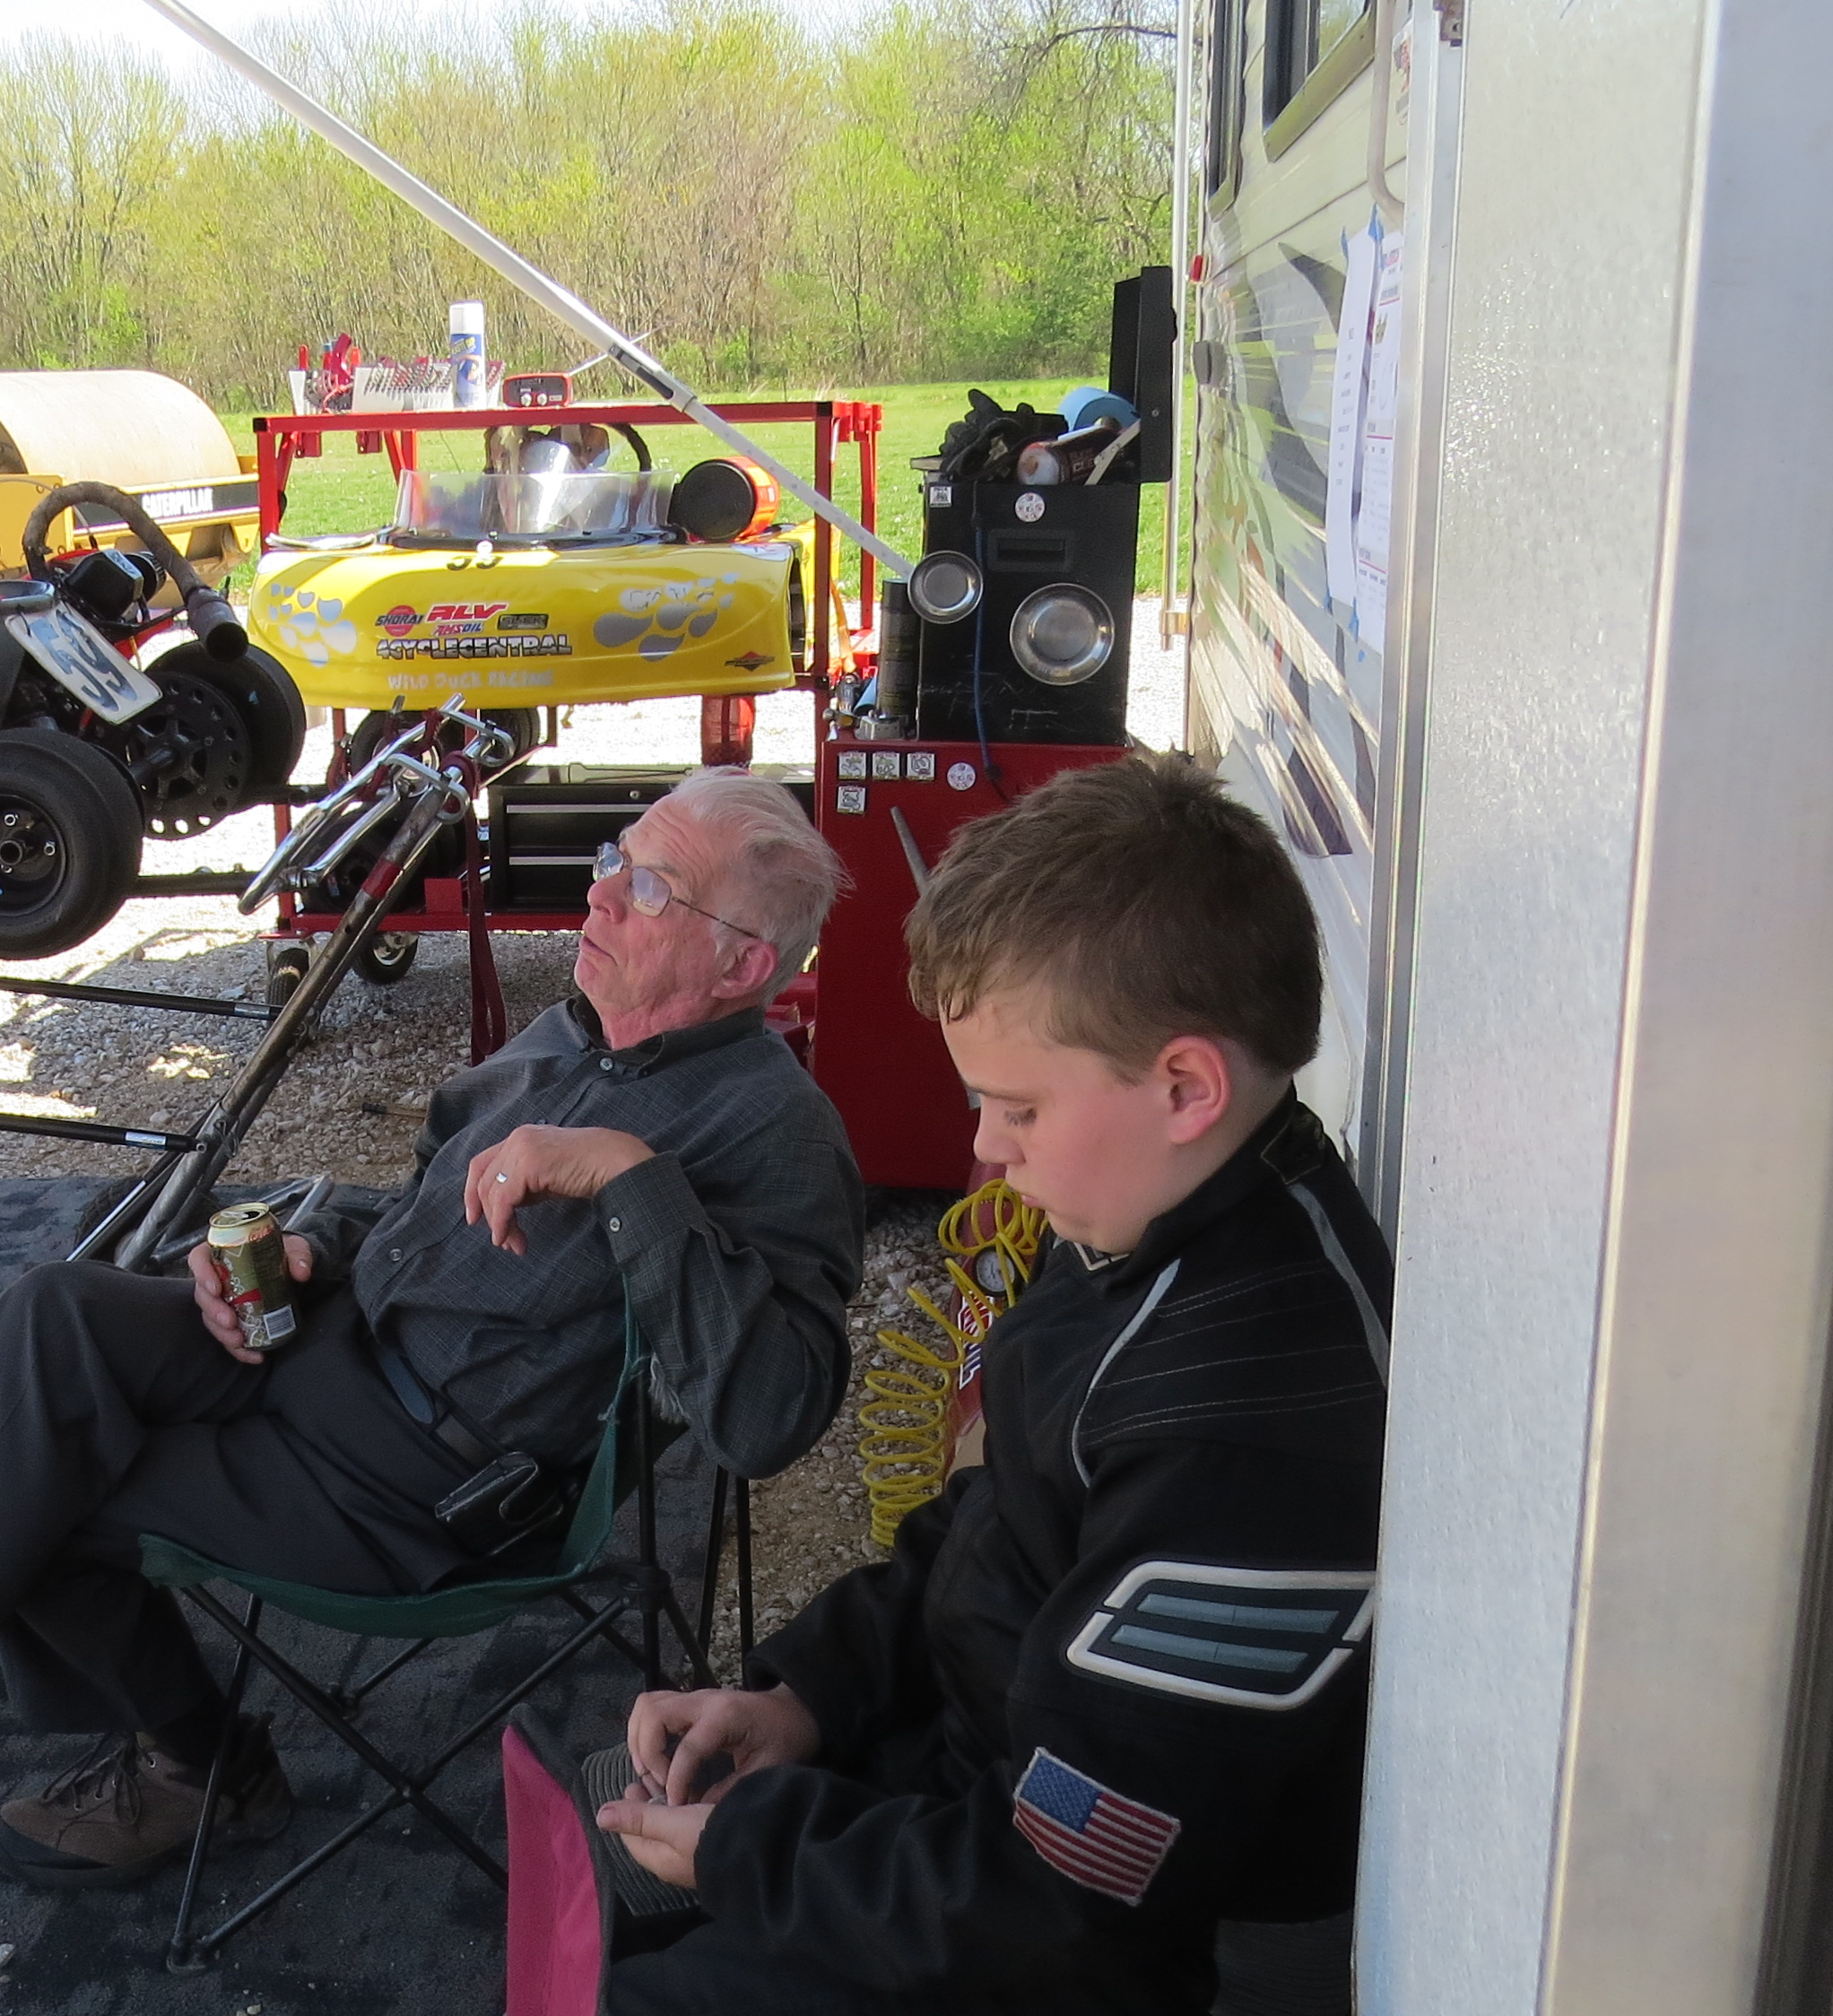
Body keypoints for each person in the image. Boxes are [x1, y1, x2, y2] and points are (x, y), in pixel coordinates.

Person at [0, 768, 864, 1919]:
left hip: (426, 1479)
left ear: (741, 965)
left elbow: (774, 1416)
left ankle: (22, 1767)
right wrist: (300, 1244)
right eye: (611, 859)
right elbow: (417, 1204)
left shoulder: (778, 1133)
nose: (601, 894)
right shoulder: (565, 1033)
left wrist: (632, 1179)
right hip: (329, 1344)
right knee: (54, 1313)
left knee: (24, 1483)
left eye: (651, 887)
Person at [586, 754, 1390, 2014]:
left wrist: (760, 1848)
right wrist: (806, 1694)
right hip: (972, 1795)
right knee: (602, 1867)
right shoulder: (1149, 1217)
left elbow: (1068, 1909)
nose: (982, 1147)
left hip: (1090, 1946)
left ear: (1186, 1086)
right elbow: (998, 1520)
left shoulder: (1247, 1423)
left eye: (1015, 1107)